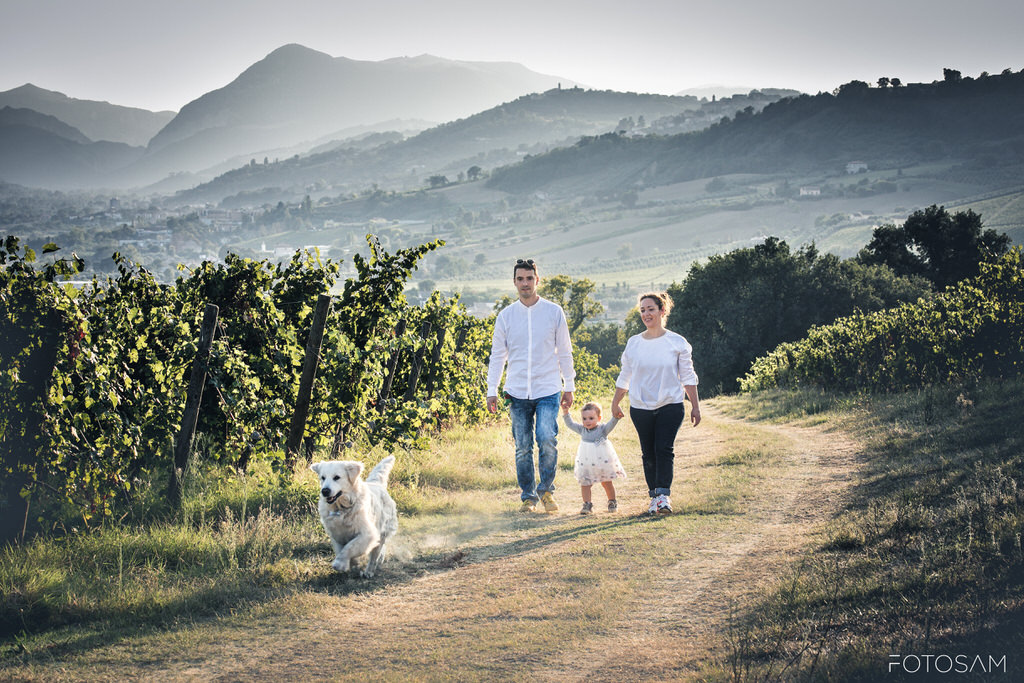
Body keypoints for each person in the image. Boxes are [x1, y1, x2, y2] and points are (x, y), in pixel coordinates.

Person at [487, 259, 576, 513]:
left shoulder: (553, 311)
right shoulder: (506, 316)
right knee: (523, 446)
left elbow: (565, 352)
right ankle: (528, 497)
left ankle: (546, 490)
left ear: (537, 280)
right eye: (520, 279)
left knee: (547, 438)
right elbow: (497, 357)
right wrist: (491, 389)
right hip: (516, 392)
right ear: (514, 282)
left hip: (548, 388)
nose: (525, 283)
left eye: (529, 278)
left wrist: (569, 385)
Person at [611, 292, 700, 515]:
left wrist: (695, 406)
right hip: (640, 407)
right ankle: (653, 497)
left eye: (650, 309)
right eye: (642, 310)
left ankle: (663, 497)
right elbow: (625, 376)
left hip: (670, 404)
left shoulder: (677, 342)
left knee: (664, 449)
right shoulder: (634, 343)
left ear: (662, 311)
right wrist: (615, 403)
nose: (646, 314)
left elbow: (688, 377)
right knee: (648, 452)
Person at [562, 401, 626, 514]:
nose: (587, 421)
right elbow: (570, 424)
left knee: (606, 482)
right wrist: (566, 412)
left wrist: (616, 417)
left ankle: (612, 501)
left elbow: (612, 423)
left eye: (591, 418)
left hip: (602, 461)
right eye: (584, 418)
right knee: (585, 483)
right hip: (586, 461)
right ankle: (587, 504)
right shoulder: (582, 430)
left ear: (599, 418)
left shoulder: (602, 429)